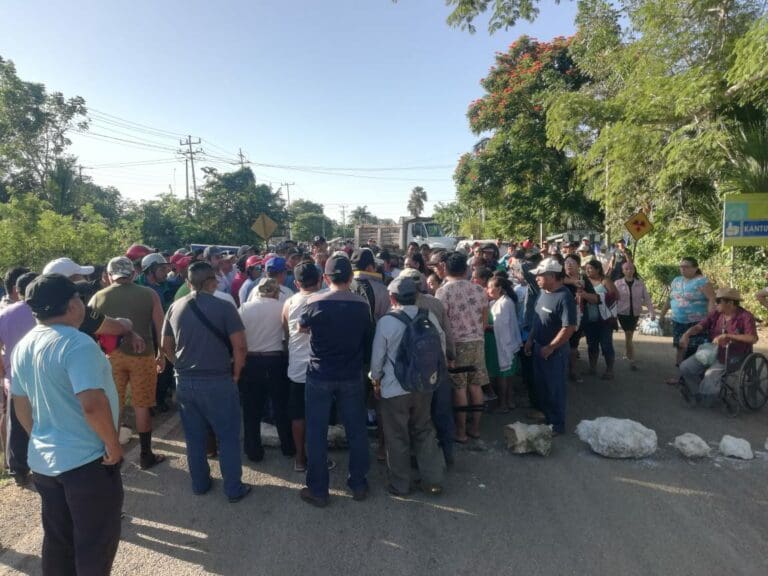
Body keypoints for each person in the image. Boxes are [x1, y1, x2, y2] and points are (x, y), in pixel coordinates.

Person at [11, 274, 123, 575]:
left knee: (58, 541)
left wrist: (37, 436)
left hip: (46, 462)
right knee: (94, 544)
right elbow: (91, 403)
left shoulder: (24, 345)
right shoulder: (77, 344)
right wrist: (113, 445)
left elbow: (19, 402)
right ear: (73, 304)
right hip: (87, 462)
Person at [161, 261, 251, 502]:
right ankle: (233, 488)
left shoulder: (174, 307)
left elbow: (166, 346)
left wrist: (178, 366)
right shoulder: (224, 307)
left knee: (194, 437)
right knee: (228, 436)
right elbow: (240, 346)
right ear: (212, 281)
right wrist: (236, 373)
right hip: (218, 380)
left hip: (185, 381)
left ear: (189, 283)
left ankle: (200, 483)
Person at [298, 254, 372, 507]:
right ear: (351, 277)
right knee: (357, 431)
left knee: (316, 433)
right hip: (351, 374)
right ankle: (358, 483)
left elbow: (301, 327)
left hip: (319, 374)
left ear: (326, 278)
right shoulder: (362, 305)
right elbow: (366, 339)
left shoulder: (314, 302)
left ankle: (318, 490)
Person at [370, 276, 445, 496]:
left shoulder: (386, 322)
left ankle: (401, 484)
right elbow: (439, 347)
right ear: (417, 296)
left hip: (395, 388)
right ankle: (433, 481)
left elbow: (377, 361)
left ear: (392, 298)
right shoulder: (429, 316)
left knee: (397, 435)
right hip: (424, 385)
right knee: (424, 430)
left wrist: (376, 380)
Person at [90, 256, 166, 469]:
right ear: (133, 273)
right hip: (143, 355)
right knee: (142, 405)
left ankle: (114, 454)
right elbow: (161, 327)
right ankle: (145, 455)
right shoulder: (149, 294)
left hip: (111, 357)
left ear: (108, 276)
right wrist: (162, 354)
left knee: (115, 405)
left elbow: (90, 331)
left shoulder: (97, 297)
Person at [238, 278, 295, 462]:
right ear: (276, 292)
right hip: (275, 360)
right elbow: (287, 336)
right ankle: (288, 447)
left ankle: (253, 450)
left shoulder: (245, 308)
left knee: (251, 410)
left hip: (251, 361)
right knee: (281, 406)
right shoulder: (282, 308)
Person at [436, 252, 488, 442]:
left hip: (456, 344)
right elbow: (484, 321)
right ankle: (475, 428)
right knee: (476, 386)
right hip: (477, 342)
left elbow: (442, 324)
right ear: (466, 270)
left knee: (459, 387)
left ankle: (460, 432)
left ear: (446, 269)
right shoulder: (480, 290)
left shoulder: (443, 292)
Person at [523, 258, 577, 434]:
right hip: (539, 347)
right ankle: (546, 416)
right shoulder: (543, 293)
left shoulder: (564, 297)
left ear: (552, 276)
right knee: (542, 386)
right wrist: (531, 339)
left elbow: (569, 328)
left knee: (554, 388)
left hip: (555, 352)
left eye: (540, 275)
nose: (536, 279)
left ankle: (557, 424)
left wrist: (551, 347)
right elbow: (537, 320)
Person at [677, 288, 757, 403]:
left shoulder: (745, 316)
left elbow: (753, 338)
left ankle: (707, 396)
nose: (716, 303)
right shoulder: (716, 313)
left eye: (719, 301)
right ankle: (698, 392)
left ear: (730, 303)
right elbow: (700, 326)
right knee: (685, 367)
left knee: (710, 375)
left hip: (734, 355)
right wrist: (687, 334)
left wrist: (728, 336)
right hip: (712, 351)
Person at [282, 262, 325, 473]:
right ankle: (319, 459)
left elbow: (286, 331)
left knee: (298, 415)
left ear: (297, 283)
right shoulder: (325, 300)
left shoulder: (289, 302)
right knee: (318, 416)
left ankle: (300, 459)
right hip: (321, 368)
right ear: (319, 279)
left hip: (297, 368)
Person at [0, 272, 38, 485]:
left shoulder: (5, 314)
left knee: (17, 425)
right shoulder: (44, 312)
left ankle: (19, 470)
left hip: (15, 377)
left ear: (18, 290)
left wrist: (4, 373)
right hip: (43, 377)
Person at [661, 256, 716, 384]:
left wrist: (711, 318)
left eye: (686, 267)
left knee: (695, 349)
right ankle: (680, 376)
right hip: (678, 320)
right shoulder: (676, 280)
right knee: (680, 348)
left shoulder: (702, 281)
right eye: (681, 266)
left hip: (697, 322)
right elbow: (670, 299)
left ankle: (695, 376)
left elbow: (712, 299)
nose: (683, 269)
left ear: (695, 268)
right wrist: (662, 315)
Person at [486, 274, 522, 413]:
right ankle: (509, 401)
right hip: (502, 344)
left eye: (490, 287)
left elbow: (500, 327)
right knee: (507, 375)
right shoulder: (499, 301)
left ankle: (503, 404)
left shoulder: (504, 303)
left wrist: (483, 326)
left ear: (499, 288)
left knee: (503, 375)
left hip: (500, 345)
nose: (487, 290)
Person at [615, 262, 655, 370]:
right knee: (628, 333)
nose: (629, 270)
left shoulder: (640, 284)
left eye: (631, 268)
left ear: (634, 270)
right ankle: (631, 358)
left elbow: (647, 298)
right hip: (622, 312)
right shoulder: (617, 283)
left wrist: (652, 312)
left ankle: (627, 352)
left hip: (635, 313)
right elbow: (613, 299)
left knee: (629, 334)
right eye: (626, 269)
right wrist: (612, 314)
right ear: (623, 271)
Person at [581, 260, 618, 380]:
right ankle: (592, 368)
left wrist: (599, 298)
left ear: (598, 269)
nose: (588, 270)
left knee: (606, 344)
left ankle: (610, 370)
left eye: (590, 268)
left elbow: (616, 296)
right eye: (586, 268)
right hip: (590, 319)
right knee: (591, 344)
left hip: (605, 319)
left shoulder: (605, 281)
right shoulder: (583, 281)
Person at [562, 254, 586, 383]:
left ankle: (573, 371)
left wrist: (584, 294)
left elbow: (595, 297)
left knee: (573, 346)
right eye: (566, 262)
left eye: (572, 262)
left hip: (578, 316)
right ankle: (561, 371)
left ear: (578, 265)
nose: (569, 264)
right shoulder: (560, 279)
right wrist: (573, 282)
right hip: (561, 318)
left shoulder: (584, 279)